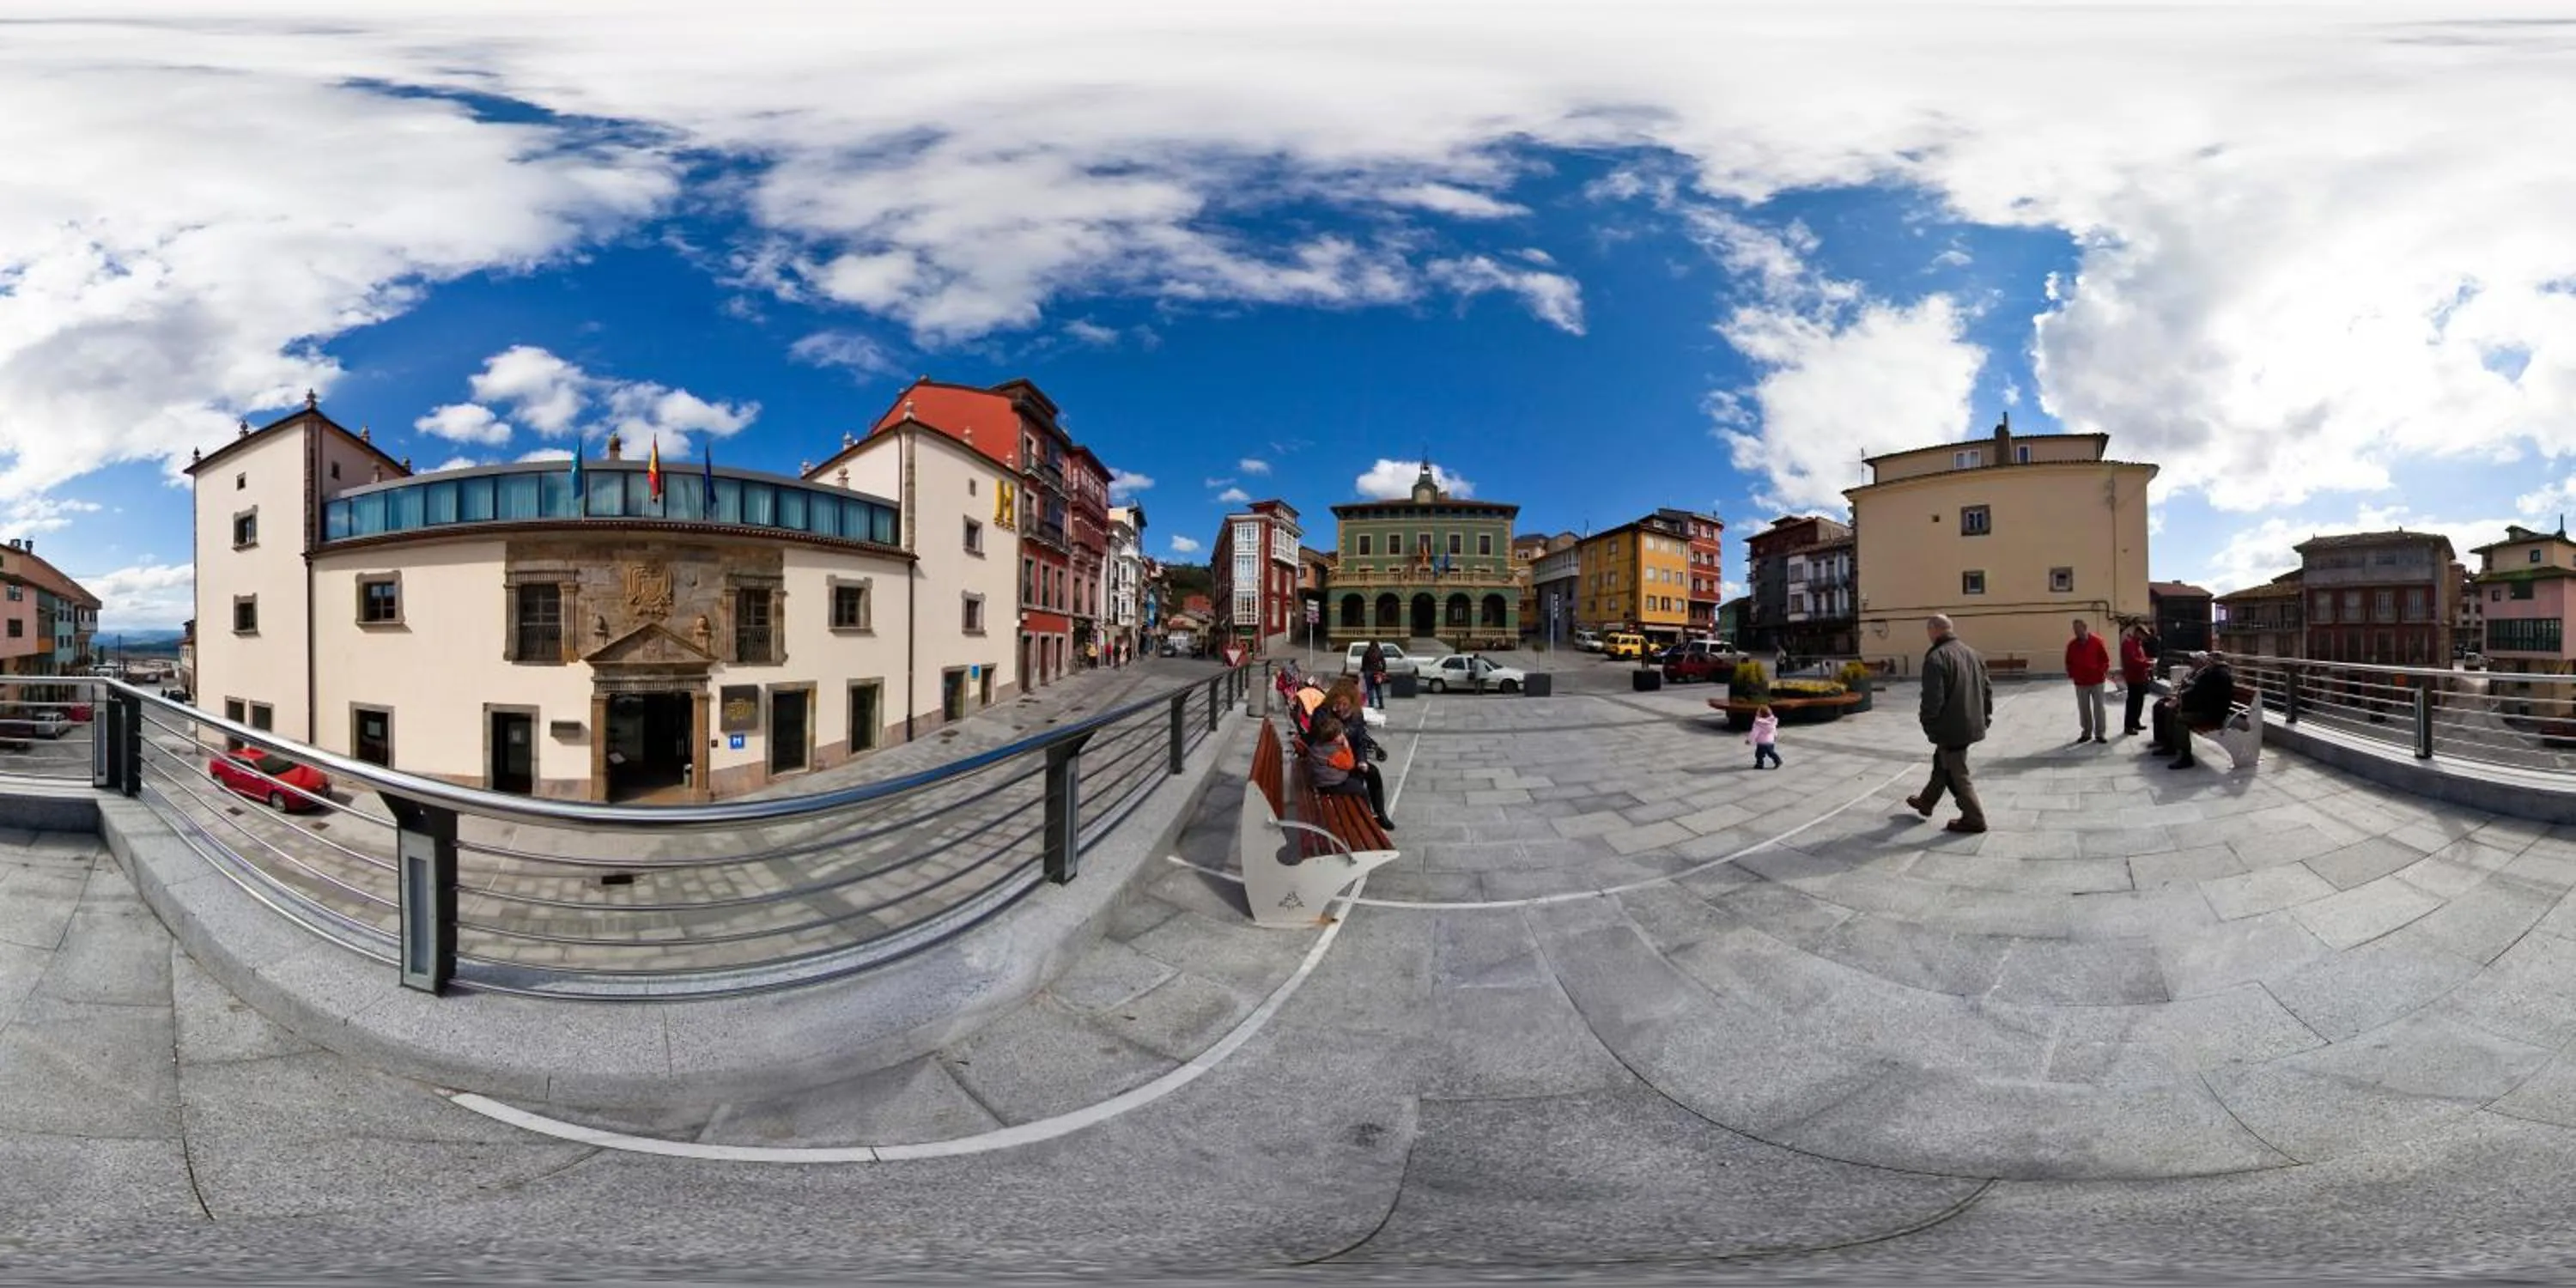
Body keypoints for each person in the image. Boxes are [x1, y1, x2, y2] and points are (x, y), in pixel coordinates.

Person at [1905, 614, 1993, 834]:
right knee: (1942, 762)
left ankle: (1974, 818)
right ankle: (1927, 801)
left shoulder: (1937, 657)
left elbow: (1932, 699)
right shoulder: (1973, 653)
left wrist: (1928, 724)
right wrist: (1986, 717)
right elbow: (1987, 690)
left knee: (1956, 772)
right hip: (1971, 722)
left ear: (1933, 630)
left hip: (1951, 727)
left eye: (1928, 631)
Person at [1304, 714, 1394, 830]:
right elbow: (1349, 764)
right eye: (1340, 734)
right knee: (1362, 791)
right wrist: (1347, 747)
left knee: (1360, 776)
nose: (1343, 735)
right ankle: (1367, 816)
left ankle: (1365, 814)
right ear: (1334, 738)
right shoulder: (1335, 751)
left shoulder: (1318, 745)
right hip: (1331, 784)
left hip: (1320, 780)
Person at [2162, 651, 2237, 769]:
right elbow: (2200, 692)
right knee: (2173, 711)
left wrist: (2183, 701)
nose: (2207, 662)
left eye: (2209, 660)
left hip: (2212, 714)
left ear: (2215, 660)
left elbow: (2202, 694)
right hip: (2207, 709)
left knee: (2180, 719)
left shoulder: (2218, 674)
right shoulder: (2213, 672)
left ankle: (2186, 757)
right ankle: (2170, 746)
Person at [2065, 618, 2111, 744]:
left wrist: (2101, 671)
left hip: (2097, 681)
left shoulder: (2097, 641)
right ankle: (2086, 732)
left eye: (2078, 629)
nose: (2076, 632)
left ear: (2085, 628)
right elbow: (2068, 662)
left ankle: (2100, 734)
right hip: (2081, 682)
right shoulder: (2072, 645)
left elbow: (2105, 660)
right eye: (2074, 629)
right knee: (2084, 708)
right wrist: (2073, 674)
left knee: (2099, 708)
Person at [1324, 679, 1388, 765]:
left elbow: (1360, 741)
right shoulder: (1324, 712)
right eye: (1337, 704)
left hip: (1350, 755)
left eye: (1345, 704)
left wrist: (1362, 760)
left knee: (1373, 772)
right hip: (1329, 758)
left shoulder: (1356, 714)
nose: (1340, 708)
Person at [2119, 623, 2155, 735]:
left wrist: (2149, 660)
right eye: (2144, 635)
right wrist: (2148, 663)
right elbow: (2132, 661)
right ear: (2138, 633)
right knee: (2133, 702)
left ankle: (2135, 722)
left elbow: (2141, 658)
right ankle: (2129, 726)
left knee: (2139, 702)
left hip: (2141, 677)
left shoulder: (2138, 644)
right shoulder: (2129, 644)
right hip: (2133, 677)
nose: (2145, 638)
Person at [1747, 703, 1782, 769]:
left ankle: (1759, 764)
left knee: (1759, 755)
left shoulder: (1759, 723)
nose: (1756, 712)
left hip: (1762, 743)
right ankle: (1777, 760)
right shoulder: (1772, 721)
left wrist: (1749, 740)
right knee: (1771, 753)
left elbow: (1754, 733)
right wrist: (1775, 736)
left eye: (1758, 711)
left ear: (1761, 714)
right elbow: (1774, 729)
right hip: (1770, 741)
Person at [1361, 641, 1388, 709]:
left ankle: (1371, 705)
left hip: (1368, 672)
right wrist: (1383, 671)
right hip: (1377, 673)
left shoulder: (1367, 652)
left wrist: (1363, 670)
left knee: (1370, 689)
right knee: (1378, 688)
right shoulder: (1379, 652)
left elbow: (1363, 663)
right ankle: (1381, 705)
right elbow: (1383, 663)